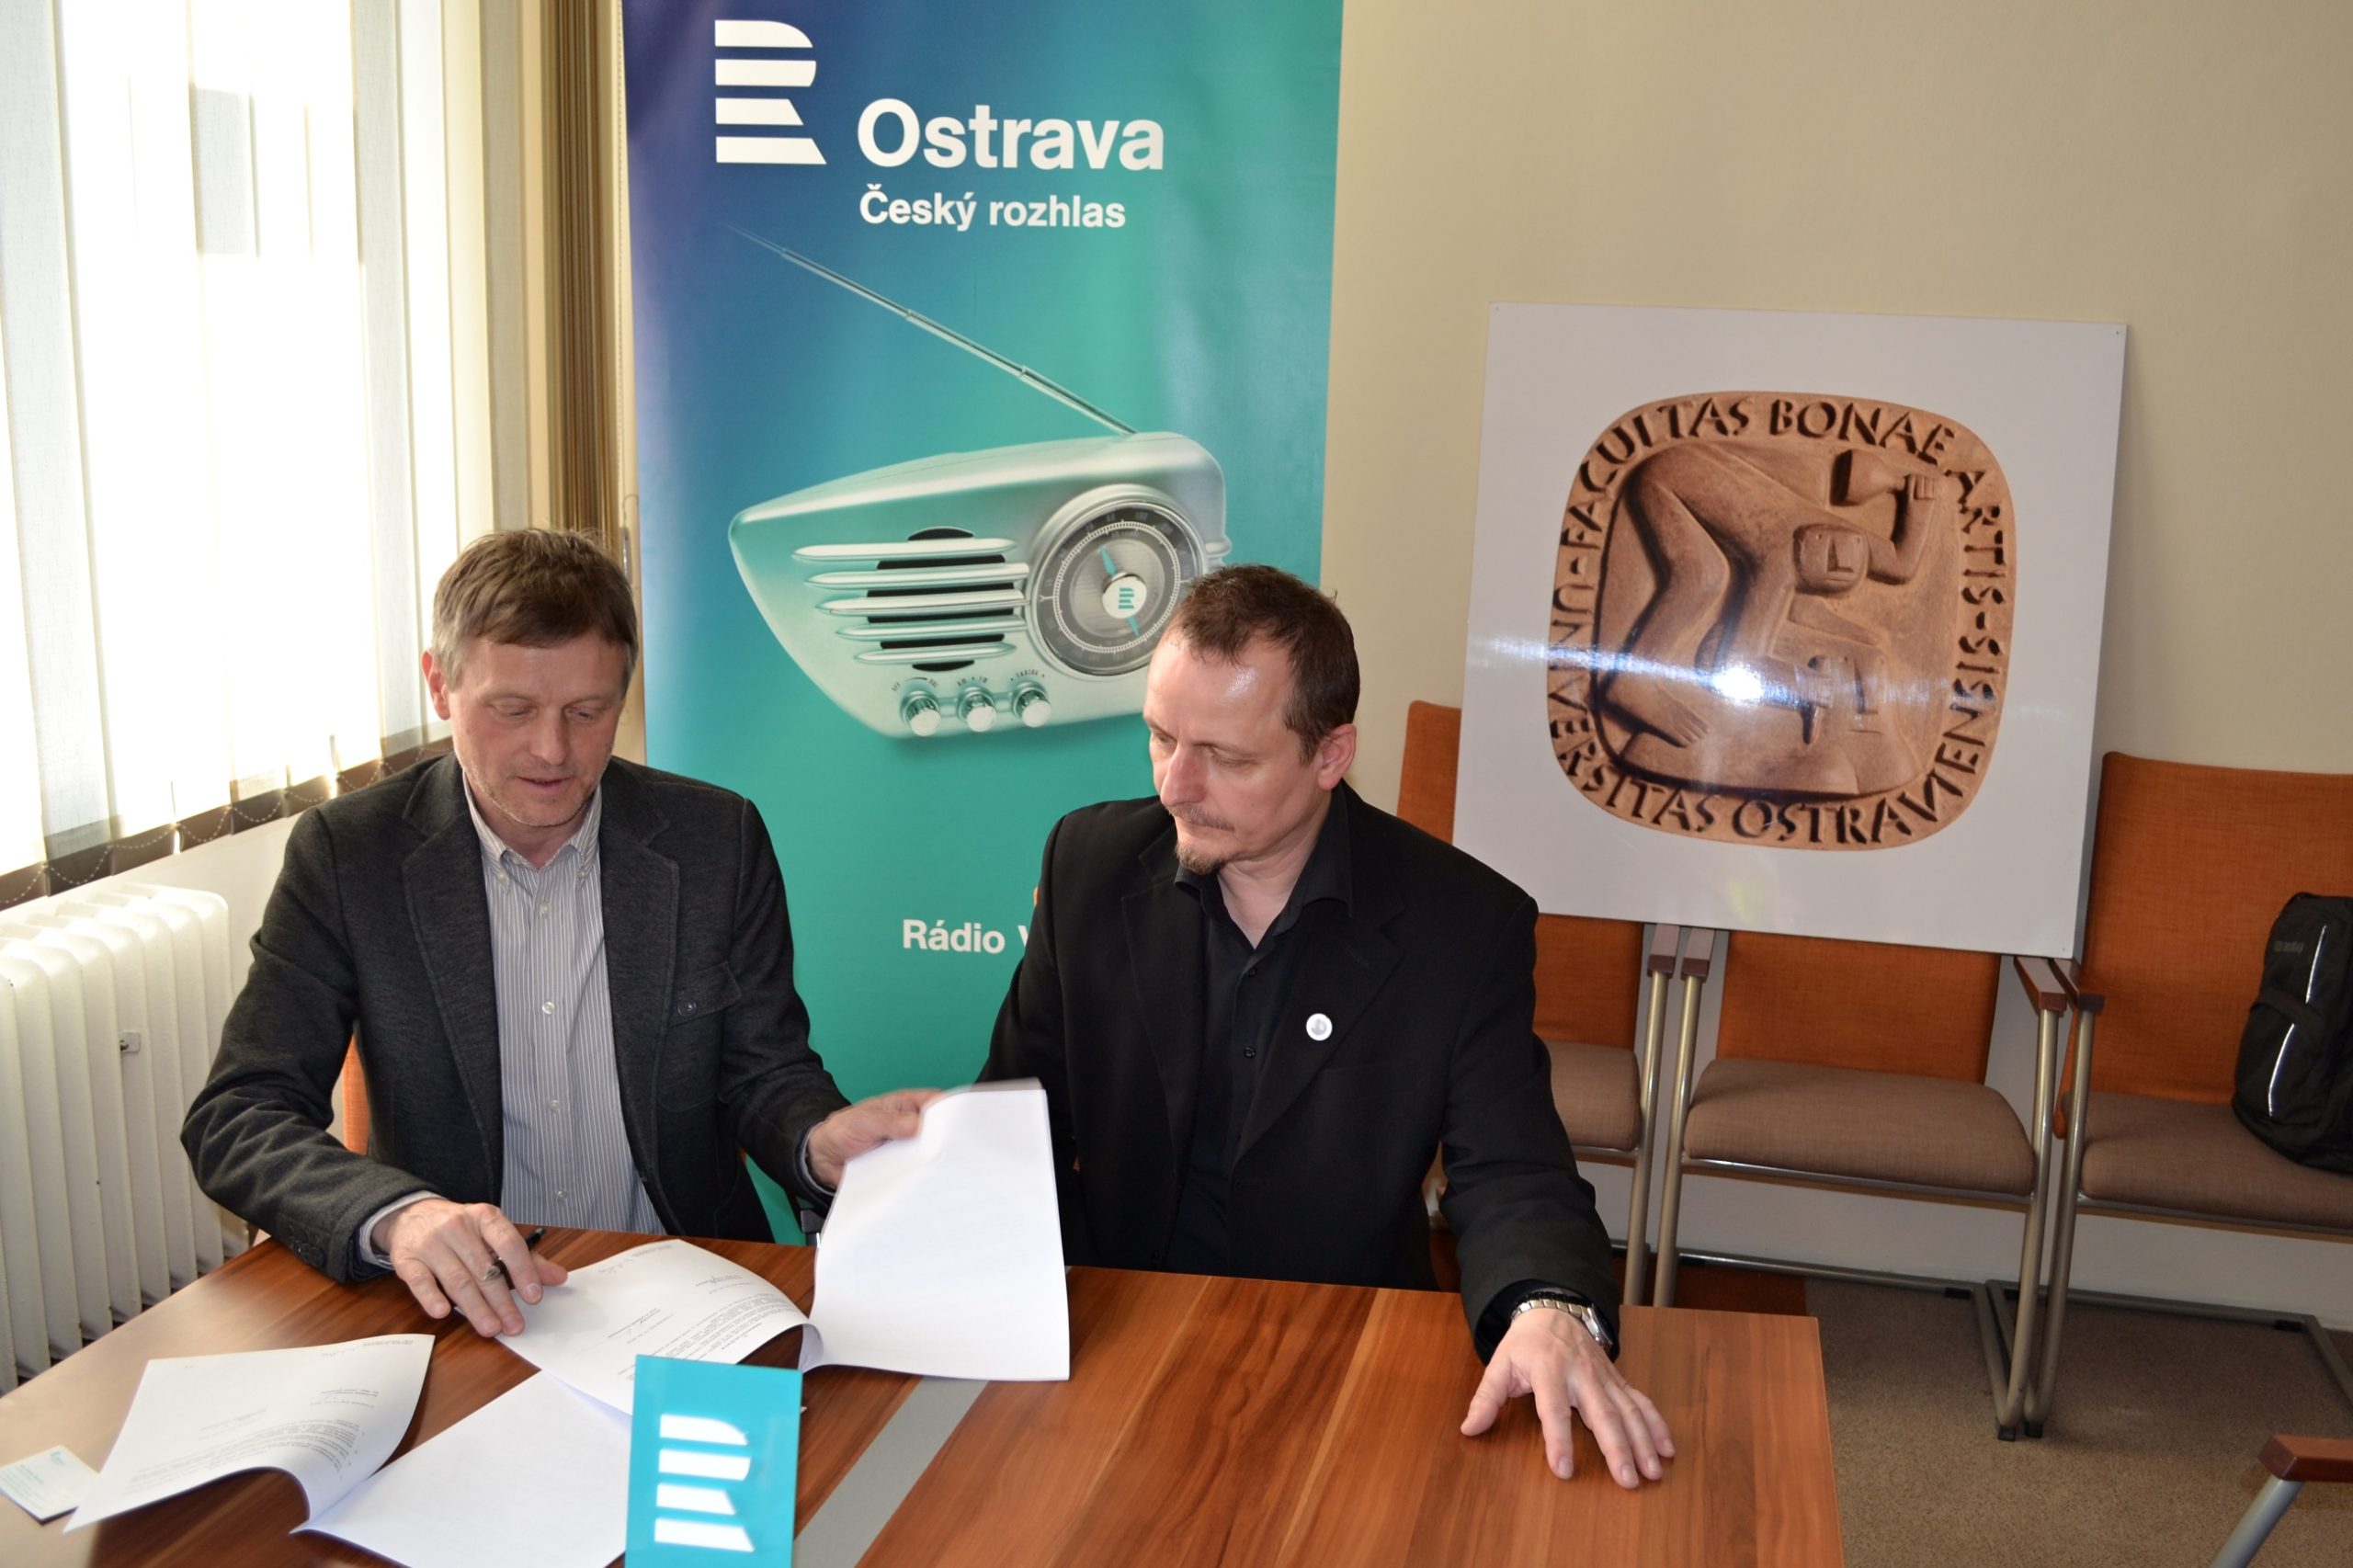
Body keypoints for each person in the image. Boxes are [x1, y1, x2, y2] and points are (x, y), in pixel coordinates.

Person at [983, 563, 1674, 1488]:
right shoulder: (1089, 863)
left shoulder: (1460, 925)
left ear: (1330, 754)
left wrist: (1550, 1307)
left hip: (1343, 1351)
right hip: (1113, 1336)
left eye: (1226, 757)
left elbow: (1513, 1169)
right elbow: (1015, 1116)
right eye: (1160, 736)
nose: (1176, 784)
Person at [184, 529, 933, 1339]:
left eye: (587, 711)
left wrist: (816, 1141)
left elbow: (764, 1072)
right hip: (469, 1304)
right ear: (440, 686)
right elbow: (241, 1112)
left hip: (690, 1279)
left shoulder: (715, 839)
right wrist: (400, 1216)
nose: (553, 750)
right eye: (513, 709)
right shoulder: (349, 856)